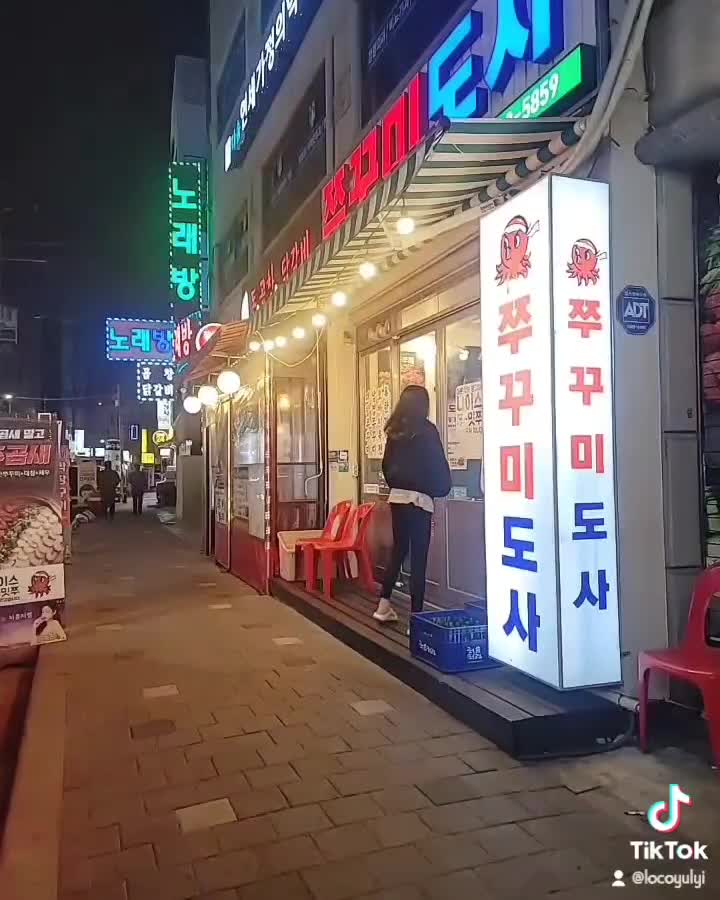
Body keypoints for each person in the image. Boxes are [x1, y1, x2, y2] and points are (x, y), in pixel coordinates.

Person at [374, 385, 451, 625]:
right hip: (420, 501)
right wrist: (439, 488)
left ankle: (383, 606)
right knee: (419, 559)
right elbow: (437, 466)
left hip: (397, 498)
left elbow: (387, 467)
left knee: (398, 551)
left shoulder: (394, 431)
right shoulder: (427, 431)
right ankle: (416, 618)